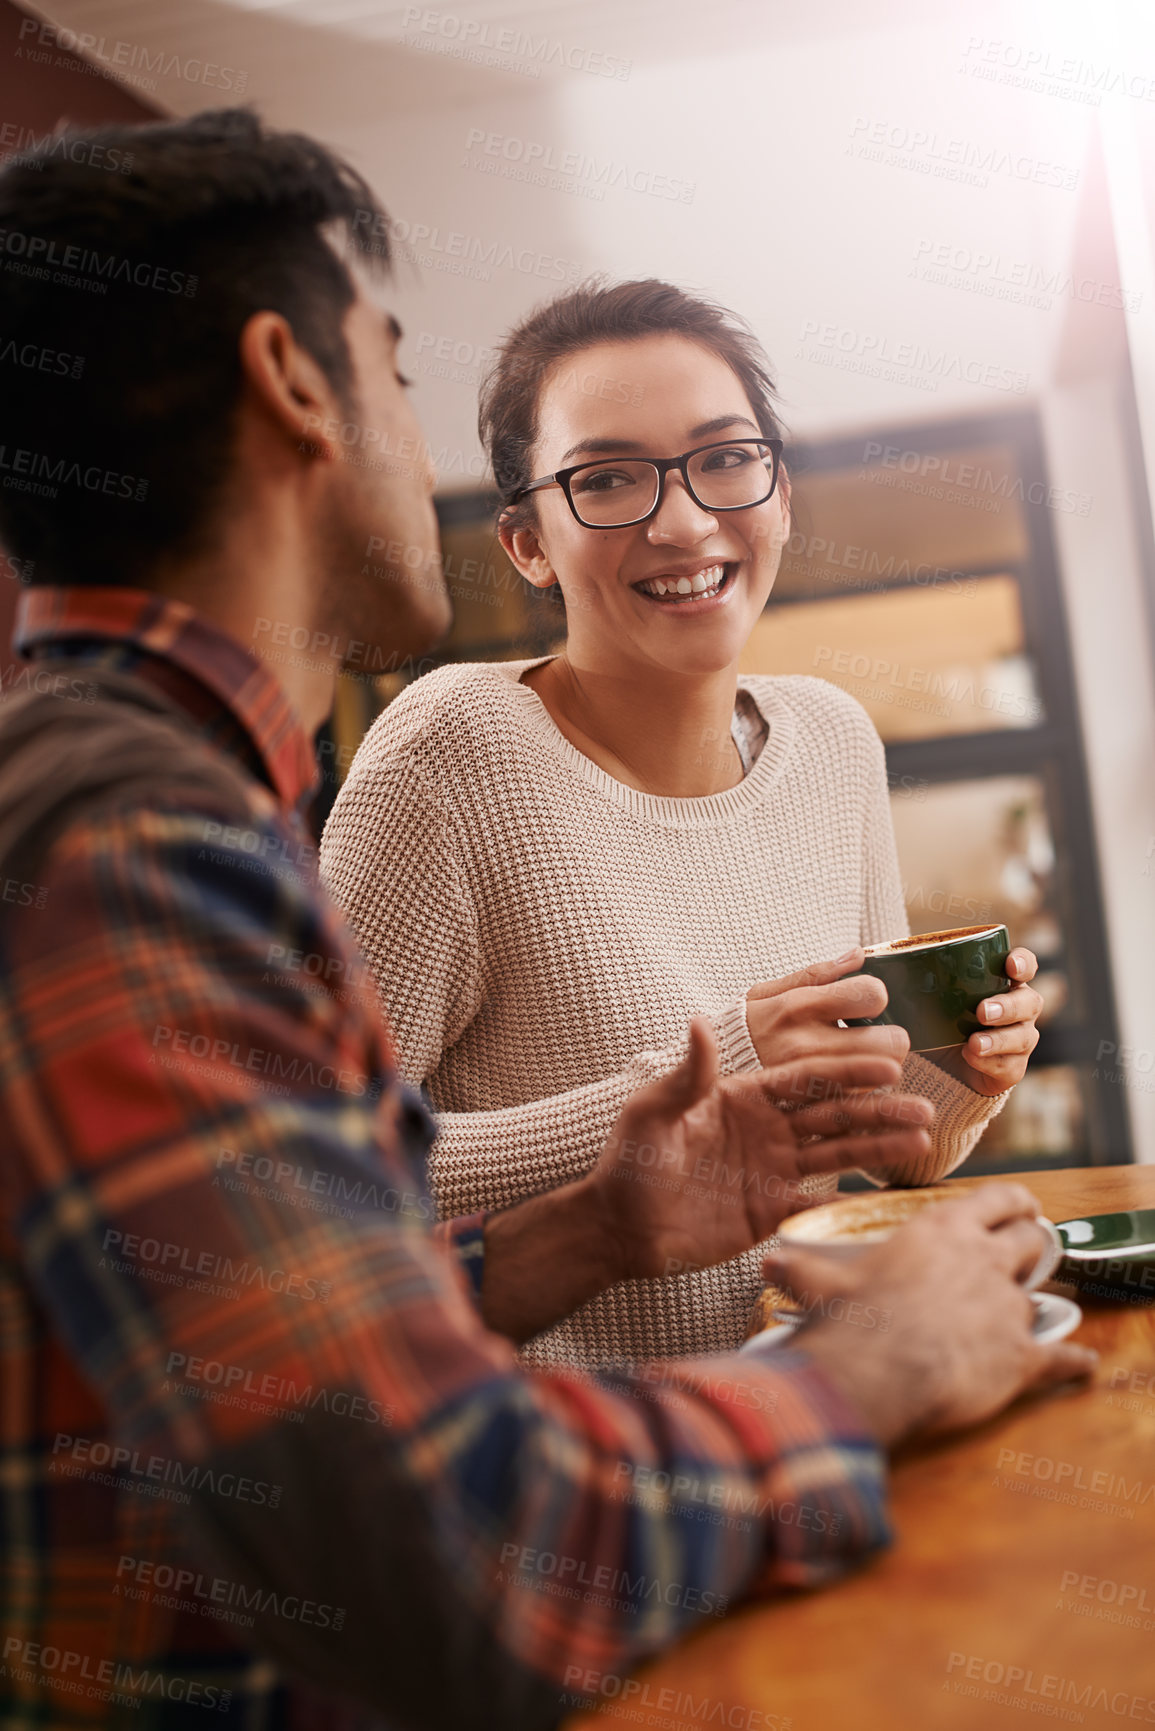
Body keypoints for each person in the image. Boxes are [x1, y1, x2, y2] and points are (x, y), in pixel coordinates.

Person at [0, 110, 1091, 1731]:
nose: (681, 518)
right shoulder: (128, 841)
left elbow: (310, 1288)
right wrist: (867, 1381)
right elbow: (456, 1547)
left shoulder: (160, 802)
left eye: (726, 458)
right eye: (393, 366)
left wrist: (599, 1224)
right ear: (298, 386)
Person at [320, 279, 1047, 1368]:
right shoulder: (449, 751)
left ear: (781, 492)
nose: (684, 520)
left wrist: (961, 1087)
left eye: (724, 458)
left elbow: (895, 1160)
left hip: (812, 1419)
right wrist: (716, 1080)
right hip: (579, 1475)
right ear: (525, 542)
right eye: (608, 479)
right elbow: (307, 1172)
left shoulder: (834, 737)